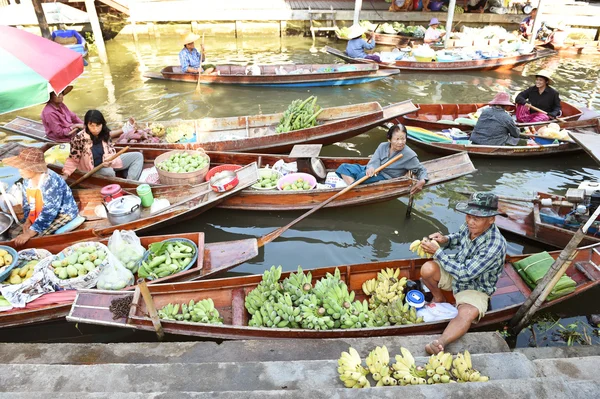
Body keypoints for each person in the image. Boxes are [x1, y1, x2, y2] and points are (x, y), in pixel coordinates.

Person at [419, 192, 507, 354]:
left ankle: (440, 342)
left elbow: (466, 274)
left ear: (491, 219)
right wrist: (445, 240)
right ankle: (439, 297)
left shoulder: (495, 244)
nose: (471, 222)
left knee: (466, 314)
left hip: (475, 285)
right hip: (456, 269)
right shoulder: (469, 226)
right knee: (427, 269)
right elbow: (459, 237)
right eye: (469, 216)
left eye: (477, 218)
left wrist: (438, 253)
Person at [3, 148, 79, 246]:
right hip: (38, 211)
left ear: (34, 168)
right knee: (13, 232)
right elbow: (27, 203)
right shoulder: (27, 179)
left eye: (23, 168)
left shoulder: (50, 182)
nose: (20, 171)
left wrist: (30, 232)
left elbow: (49, 212)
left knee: (35, 238)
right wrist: (28, 220)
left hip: (61, 213)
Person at [335, 124, 428, 195]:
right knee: (344, 167)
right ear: (389, 139)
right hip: (373, 171)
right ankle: (354, 189)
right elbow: (374, 161)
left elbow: (420, 169)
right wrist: (371, 168)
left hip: (385, 177)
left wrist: (422, 180)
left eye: (403, 139)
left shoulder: (409, 154)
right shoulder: (382, 146)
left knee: (362, 176)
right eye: (397, 139)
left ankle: (353, 189)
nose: (400, 142)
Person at [62, 110, 144, 181]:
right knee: (109, 172)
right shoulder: (79, 139)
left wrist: (109, 160)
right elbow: (73, 160)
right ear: (86, 125)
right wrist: (65, 175)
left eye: (98, 125)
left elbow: (111, 150)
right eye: (92, 126)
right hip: (93, 169)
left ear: (102, 124)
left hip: (110, 162)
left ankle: (130, 182)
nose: (95, 129)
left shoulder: (104, 134)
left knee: (138, 156)